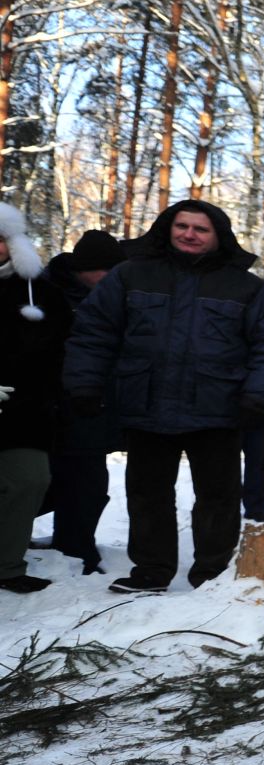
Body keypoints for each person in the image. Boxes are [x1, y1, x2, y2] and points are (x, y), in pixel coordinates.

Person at [64, 199, 264, 594]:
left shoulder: (247, 288)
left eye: (200, 229)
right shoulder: (131, 275)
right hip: (145, 402)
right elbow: (93, 333)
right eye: (182, 226)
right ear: (167, 228)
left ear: (217, 236)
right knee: (147, 493)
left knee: (218, 497)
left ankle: (211, 574)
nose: (189, 234)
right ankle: (151, 571)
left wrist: (258, 397)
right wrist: (84, 384)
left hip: (219, 407)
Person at [0, 205, 73, 594]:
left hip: (23, 412)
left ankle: (7, 565)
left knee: (30, 480)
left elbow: (58, 347)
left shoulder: (44, 295)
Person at [41, 229, 123, 573]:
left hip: (90, 406)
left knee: (89, 483)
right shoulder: (44, 292)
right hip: (43, 403)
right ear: (85, 268)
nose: (111, 278)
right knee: (36, 480)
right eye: (106, 271)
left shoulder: (112, 294)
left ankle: (76, 546)